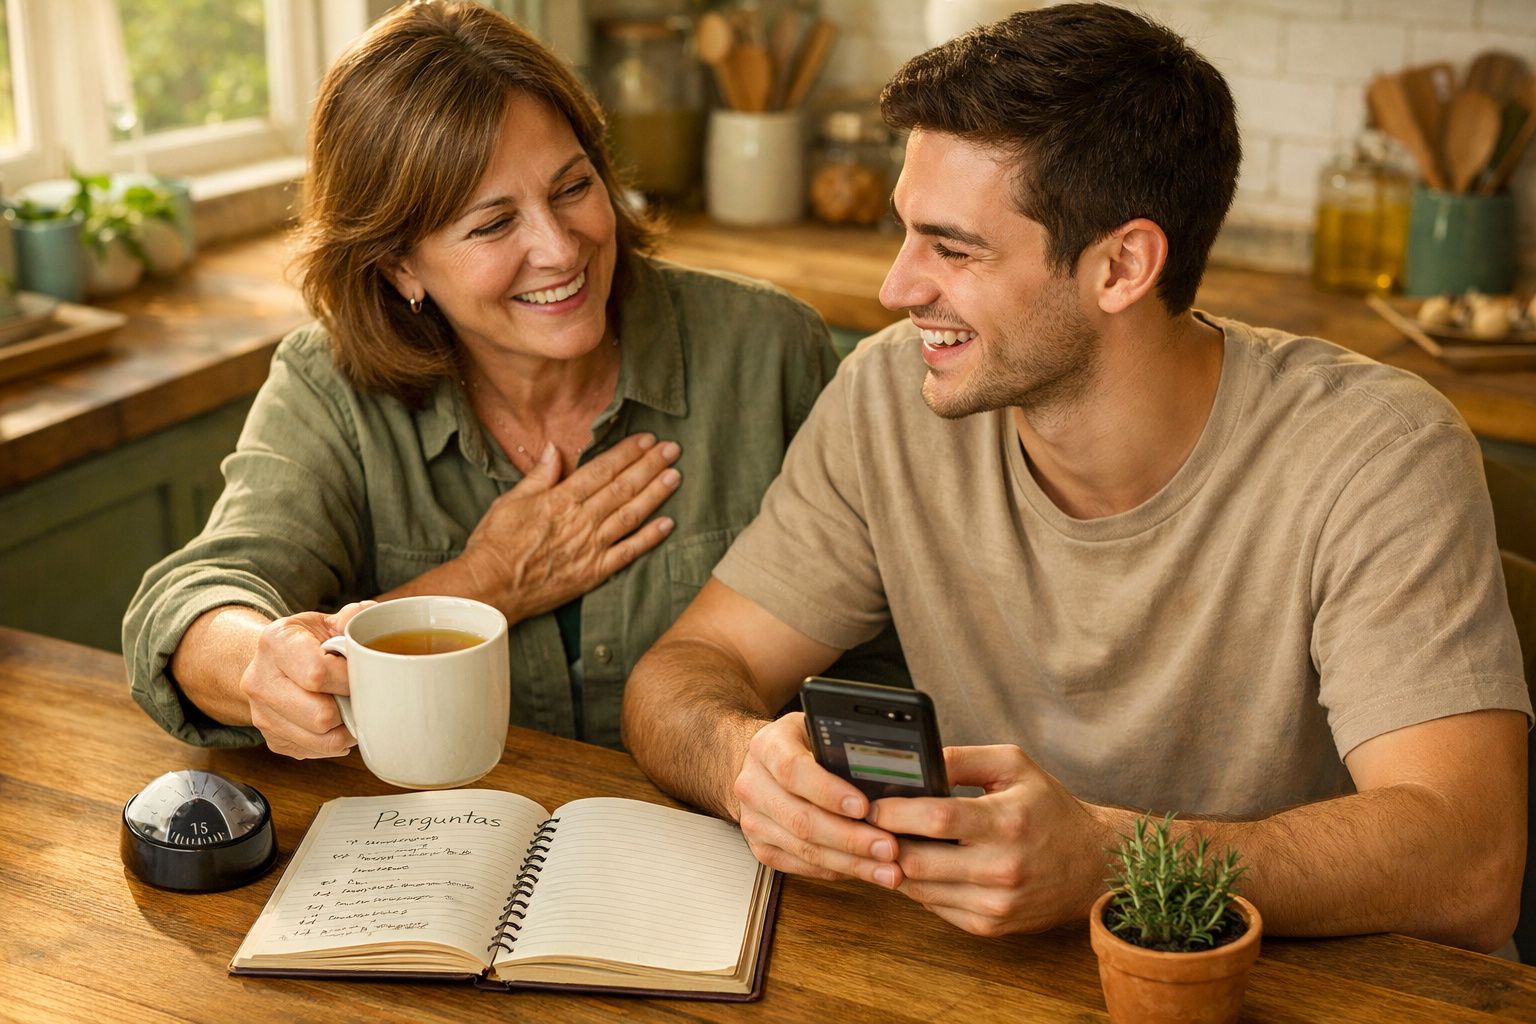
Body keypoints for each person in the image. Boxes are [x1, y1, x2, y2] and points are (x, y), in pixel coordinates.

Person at [621, 3, 1530, 954]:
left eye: (952, 248)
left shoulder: (1377, 451)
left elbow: (1470, 862)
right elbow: (684, 671)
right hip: (999, 975)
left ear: (1122, 266)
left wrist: (1109, 860)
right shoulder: (889, 396)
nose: (897, 288)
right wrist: (744, 764)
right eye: (906, 234)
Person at [122, 0, 879, 757]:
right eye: (492, 224)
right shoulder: (331, 386)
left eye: (573, 188)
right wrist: (487, 581)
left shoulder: (768, 348)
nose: (560, 249)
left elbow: (878, 659)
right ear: (399, 265)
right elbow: (191, 608)